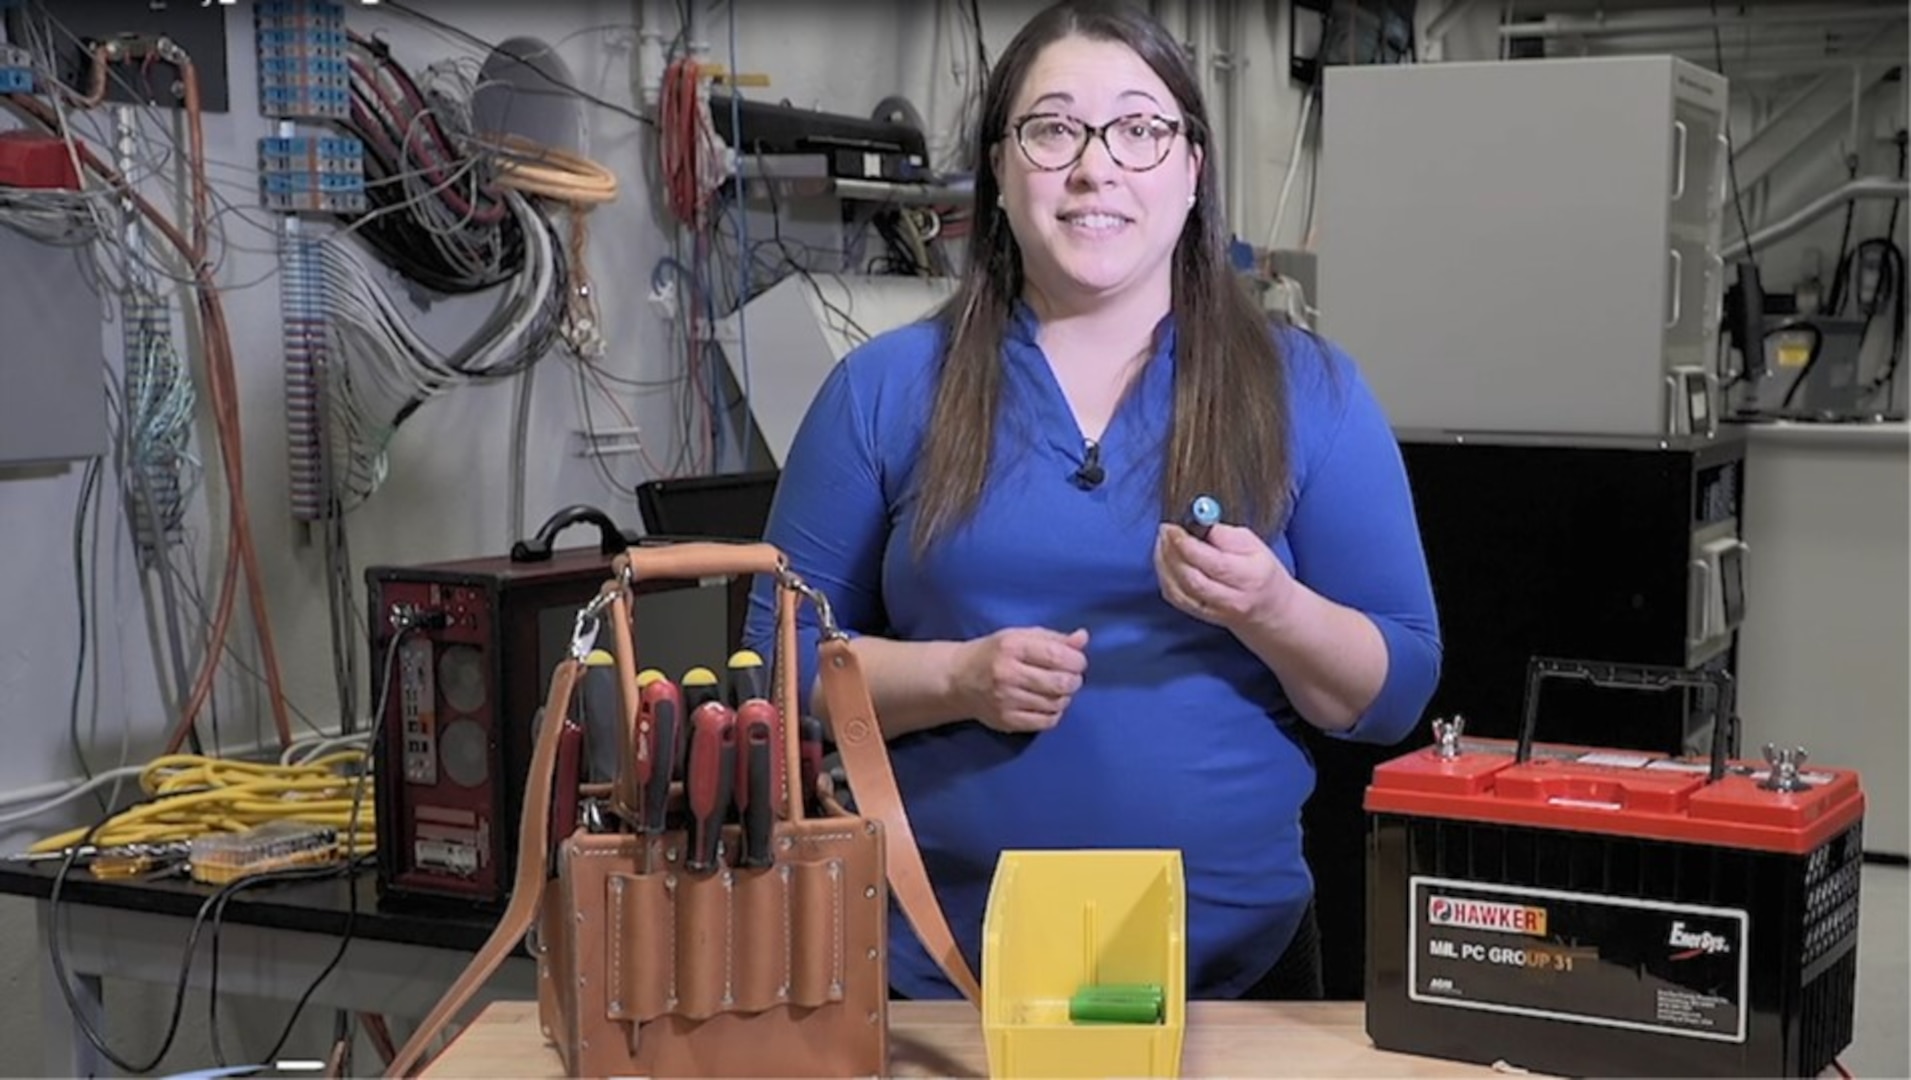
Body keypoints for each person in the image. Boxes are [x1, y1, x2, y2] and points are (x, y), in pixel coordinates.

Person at [743, 0, 1440, 1002]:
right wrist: (954, 677)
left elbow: (1394, 693)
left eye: (1141, 129)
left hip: (1232, 980)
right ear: (999, 166)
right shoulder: (885, 390)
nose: (1096, 166)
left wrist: (1270, 606)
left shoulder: (1309, 392)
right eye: (1054, 127)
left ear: (1193, 168)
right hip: (944, 970)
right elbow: (772, 665)